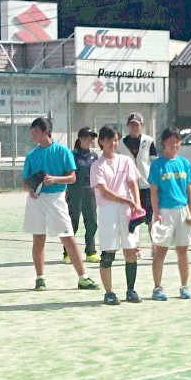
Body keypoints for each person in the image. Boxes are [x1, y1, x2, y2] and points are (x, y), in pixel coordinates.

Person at [22, 117, 98, 292]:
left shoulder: (62, 151)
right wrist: (30, 190)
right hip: (36, 201)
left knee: (67, 237)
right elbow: (25, 182)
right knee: (38, 238)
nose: (32, 134)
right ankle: (40, 279)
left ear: (43, 131)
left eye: (34, 130)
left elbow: (72, 177)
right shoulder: (32, 155)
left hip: (56, 198)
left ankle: (83, 277)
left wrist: (54, 179)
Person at [90, 126, 142, 305]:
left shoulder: (126, 161)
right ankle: (109, 292)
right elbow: (104, 192)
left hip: (128, 210)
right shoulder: (97, 165)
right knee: (108, 254)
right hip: (108, 210)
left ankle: (131, 290)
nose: (113, 143)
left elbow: (133, 183)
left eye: (116, 139)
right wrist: (128, 201)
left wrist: (137, 204)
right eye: (109, 140)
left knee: (130, 251)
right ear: (101, 142)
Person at [148, 128, 191, 301]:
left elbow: (189, 189)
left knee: (182, 250)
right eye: (170, 142)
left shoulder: (184, 163)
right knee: (160, 251)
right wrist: (157, 214)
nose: (174, 145)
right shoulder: (157, 165)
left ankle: (184, 286)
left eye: (177, 142)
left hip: (182, 210)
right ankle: (157, 288)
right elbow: (153, 192)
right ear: (163, 144)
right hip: (164, 211)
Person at [65, 127, 99, 264]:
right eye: (87, 137)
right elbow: (67, 173)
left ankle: (91, 252)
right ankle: (67, 253)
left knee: (92, 222)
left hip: (90, 191)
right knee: (73, 222)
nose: (90, 140)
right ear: (80, 138)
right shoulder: (72, 155)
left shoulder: (94, 156)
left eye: (92, 137)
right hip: (75, 191)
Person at [116, 113, 157, 226]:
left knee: (150, 219)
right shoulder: (120, 144)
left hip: (146, 185)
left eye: (137, 125)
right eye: (131, 125)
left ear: (141, 125)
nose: (134, 127)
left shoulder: (148, 141)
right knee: (133, 219)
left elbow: (154, 162)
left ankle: (154, 243)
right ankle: (135, 243)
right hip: (128, 187)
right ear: (128, 126)